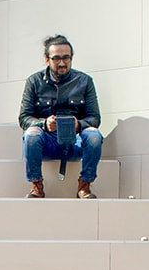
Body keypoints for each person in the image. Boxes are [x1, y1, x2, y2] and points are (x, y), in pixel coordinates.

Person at [18, 35, 102, 199]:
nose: (62, 63)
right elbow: (24, 117)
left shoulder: (85, 81)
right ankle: (37, 185)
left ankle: (84, 185)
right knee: (31, 134)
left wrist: (78, 125)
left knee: (94, 135)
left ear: (71, 58)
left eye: (66, 58)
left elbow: (94, 118)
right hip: (47, 141)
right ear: (47, 59)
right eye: (56, 58)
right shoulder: (34, 81)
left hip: (75, 141)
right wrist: (44, 124)